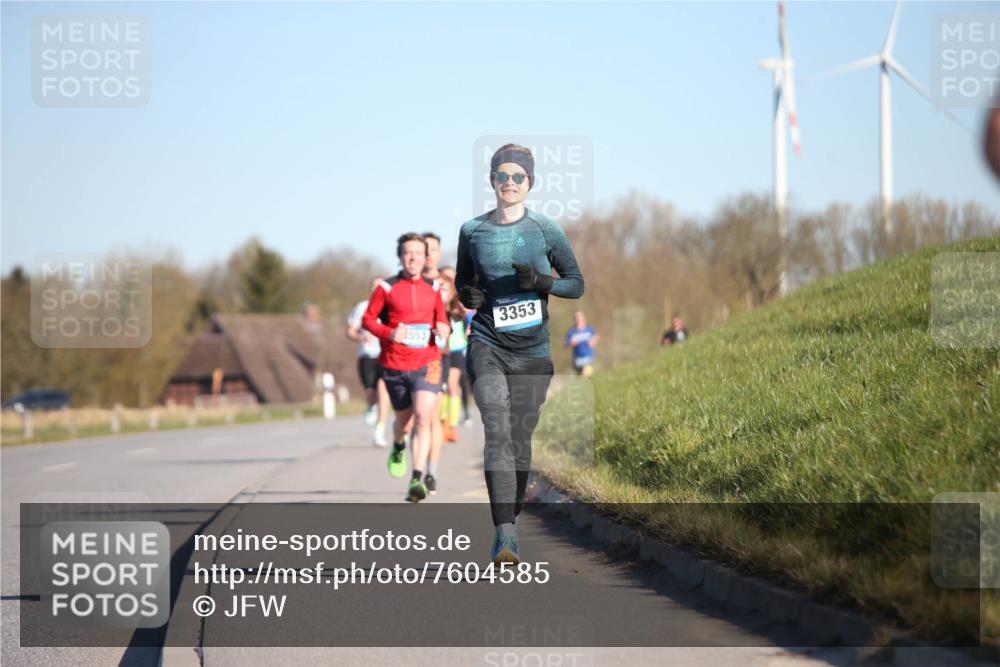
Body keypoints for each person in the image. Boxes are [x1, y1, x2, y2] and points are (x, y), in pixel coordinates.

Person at [456, 143, 584, 564]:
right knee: (495, 427)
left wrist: (543, 283)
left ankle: (509, 512)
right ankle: (505, 533)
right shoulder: (471, 231)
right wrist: (469, 294)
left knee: (519, 438)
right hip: (487, 343)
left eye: (518, 177)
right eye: (502, 175)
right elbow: (463, 282)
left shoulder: (545, 229)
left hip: (532, 351)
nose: (509, 183)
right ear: (491, 180)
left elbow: (576, 283)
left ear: (530, 182)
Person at [362, 233, 450, 503]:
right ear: (400, 257)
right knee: (404, 422)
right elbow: (368, 320)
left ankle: (416, 479)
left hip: (428, 362)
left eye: (418, 253)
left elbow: (441, 319)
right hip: (395, 365)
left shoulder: (433, 288)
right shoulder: (386, 288)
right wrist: (389, 333)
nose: (413, 258)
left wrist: (444, 328)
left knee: (424, 416)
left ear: (425, 258)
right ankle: (399, 445)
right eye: (408, 253)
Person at [346, 278, 391, 446]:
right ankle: (371, 405)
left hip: (386, 354)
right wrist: (361, 337)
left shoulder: (391, 306)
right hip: (367, 355)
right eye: (374, 287)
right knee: (371, 392)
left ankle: (380, 430)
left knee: (383, 391)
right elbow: (350, 331)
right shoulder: (362, 307)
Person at [422, 234, 448, 494]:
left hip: (439, 356)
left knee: (431, 416)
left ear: (439, 253)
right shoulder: (407, 283)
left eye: (433, 249)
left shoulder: (447, 282)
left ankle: (430, 471)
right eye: (425, 249)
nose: (429, 253)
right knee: (416, 418)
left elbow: (464, 309)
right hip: (410, 356)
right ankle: (416, 463)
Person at [440, 267, 468, 443]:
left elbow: (465, 314)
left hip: (457, 348)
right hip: (440, 350)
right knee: (441, 388)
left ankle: (452, 425)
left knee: (452, 385)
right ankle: (442, 420)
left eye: (452, 278)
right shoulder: (435, 299)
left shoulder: (459, 300)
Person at [564, 310, 599, 377]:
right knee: (580, 377)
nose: (579, 320)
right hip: (577, 359)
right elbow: (566, 344)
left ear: (584, 318)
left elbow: (596, 337)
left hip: (588, 357)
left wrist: (593, 341)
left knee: (585, 374)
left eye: (580, 318)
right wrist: (571, 343)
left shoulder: (589, 329)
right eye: (577, 318)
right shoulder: (572, 331)